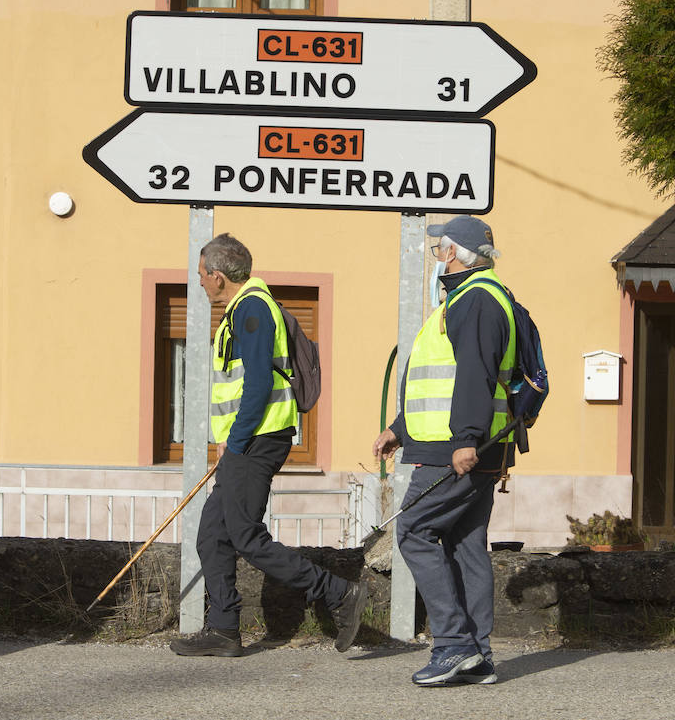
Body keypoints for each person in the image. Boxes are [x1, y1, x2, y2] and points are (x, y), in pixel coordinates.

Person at [169, 233, 367, 657]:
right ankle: (223, 631)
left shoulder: (253, 310)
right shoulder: (245, 308)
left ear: (218, 276)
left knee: (245, 536)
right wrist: (229, 441)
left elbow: (258, 384)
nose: (200, 283)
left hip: (256, 440)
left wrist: (236, 441)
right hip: (247, 440)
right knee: (212, 534)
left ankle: (337, 592)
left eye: (202, 275)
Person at [372, 215, 517, 686]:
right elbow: (446, 378)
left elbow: (474, 374)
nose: (436, 257)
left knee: (413, 531)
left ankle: (453, 645)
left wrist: (465, 439)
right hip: (475, 445)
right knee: (466, 545)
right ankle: (478, 656)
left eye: (439, 249)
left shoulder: (474, 300)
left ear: (454, 253)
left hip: (454, 450)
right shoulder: (483, 297)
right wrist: (399, 429)